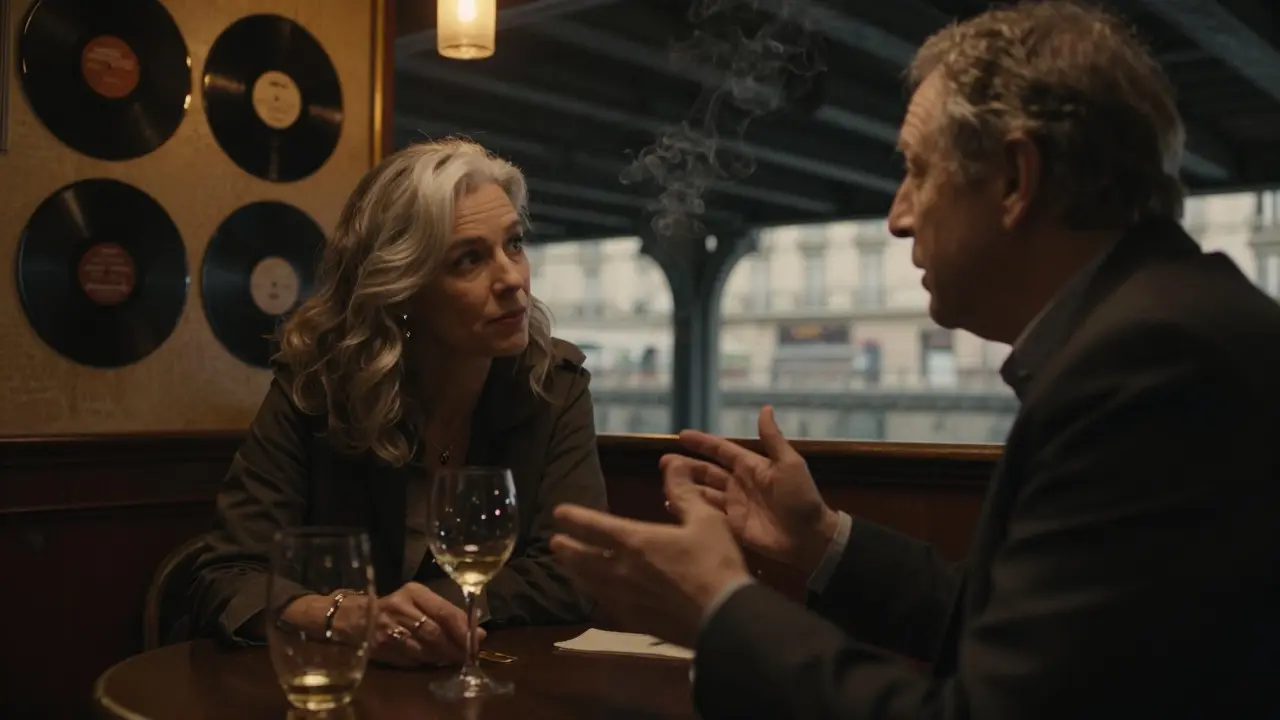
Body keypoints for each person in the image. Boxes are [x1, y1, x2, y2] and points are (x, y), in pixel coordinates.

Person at [548, 2, 1280, 718]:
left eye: (917, 171)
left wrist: (721, 611)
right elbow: (1022, 631)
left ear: (1016, 180)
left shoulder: (1153, 366)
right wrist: (820, 541)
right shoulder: (1169, 326)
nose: (897, 215)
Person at [189, 138, 608, 668]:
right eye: (469, 259)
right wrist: (347, 615)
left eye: (515, 244)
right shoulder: (317, 388)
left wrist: (423, 614)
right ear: (400, 288)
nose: (512, 280)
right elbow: (226, 577)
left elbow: (574, 573)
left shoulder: (553, 385)